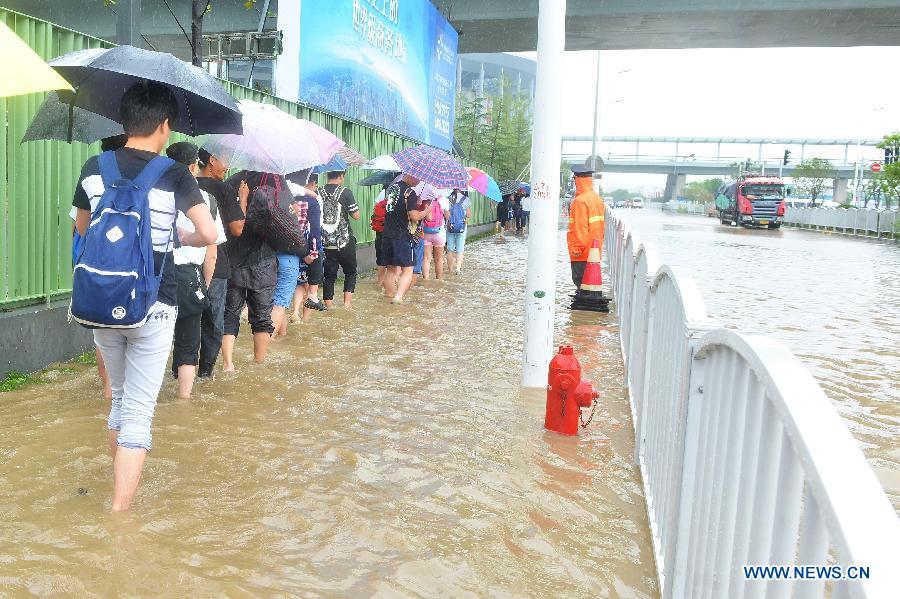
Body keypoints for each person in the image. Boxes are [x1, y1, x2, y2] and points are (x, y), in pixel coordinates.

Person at [72, 82, 216, 511]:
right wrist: (179, 235)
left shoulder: (94, 167)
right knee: (138, 411)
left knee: (118, 398)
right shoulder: (174, 173)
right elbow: (208, 233)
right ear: (165, 125)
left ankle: (117, 489)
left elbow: (82, 228)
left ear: (124, 120)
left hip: (101, 299)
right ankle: (120, 516)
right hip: (154, 302)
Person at [166, 142, 225, 399]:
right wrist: (205, 284)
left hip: (156, 273)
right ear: (193, 167)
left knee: (149, 339)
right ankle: (184, 400)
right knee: (188, 342)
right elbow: (212, 252)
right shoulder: (206, 201)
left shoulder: (153, 194)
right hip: (190, 276)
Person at [71, 134, 128, 401]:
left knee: (103, 329)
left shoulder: (91, 170)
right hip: (132, 270)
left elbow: (80, 227)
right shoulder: (145, 171)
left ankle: (108, 390)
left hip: (98, 268)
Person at [220, 170, 277, 371]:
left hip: (233, 260)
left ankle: (227, 364)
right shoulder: (274, 183)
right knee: (262, 317)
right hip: (263, 260)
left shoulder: (231, 183)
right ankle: (259, 363)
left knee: (230, 313)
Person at [195, 148, 232, 377]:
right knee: (213, 321)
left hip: (186, 265)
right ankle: (205, 373)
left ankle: (180, 371)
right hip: (215, 265)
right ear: (211, 160)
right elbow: (237, 228)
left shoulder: (181, 190)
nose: (227, 167)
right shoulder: (221, 190)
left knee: (187, 321)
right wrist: (243, 201)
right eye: (225, 161)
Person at [382, 174, 431, 304]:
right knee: (408, 268)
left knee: (391, 269)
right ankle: (398, 298)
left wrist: (414, 202)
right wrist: (426, 211)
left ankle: (388, 296)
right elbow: (414, 216)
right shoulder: (410, 192)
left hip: (387, 234)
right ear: (410, 175)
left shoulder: (393, 188)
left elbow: (397, 208)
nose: (419, 181)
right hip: (402, 236)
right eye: (418, 177)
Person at [287, 169, 326, 323]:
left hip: (282, 247)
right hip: (304, 246)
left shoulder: (282, 197)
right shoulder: (312, 201)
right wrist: (313, 253)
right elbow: (315, 231)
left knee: (292, 285)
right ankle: (311, 300)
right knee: (307, 283)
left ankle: (295, 313)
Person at [320, 170, 361, 310]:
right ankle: (347, 305)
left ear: (327, 175)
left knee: (329, 275)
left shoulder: (319, 192)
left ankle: (329, 305)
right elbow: (356, 216)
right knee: (350, 271)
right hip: (344, 240)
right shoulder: (346, 192)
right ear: (341, 176)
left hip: (326, 241)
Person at [567, 166, 606, 290]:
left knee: (582, 287)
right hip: (594, 251)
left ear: (578, 180)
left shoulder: (580, 201)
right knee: (591, 288)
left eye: (574, 179)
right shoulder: (596, 198)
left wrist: (576, 250)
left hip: (582, 254)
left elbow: (580, 229)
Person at [421, 191, 450, 280]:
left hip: (426, 231)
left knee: (426, 258)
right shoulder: (444, 200)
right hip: (439, 232)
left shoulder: (424, 199)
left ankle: (426, 279)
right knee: (439, 258)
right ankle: (439, 280)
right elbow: (447, 217)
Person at [446, 189, 471, 275]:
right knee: (460, 249)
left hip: (450, 227)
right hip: (461, 227)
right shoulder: (466, 199)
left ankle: (450, 270)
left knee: (450, 249)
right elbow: (469, 215)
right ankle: (458, 268)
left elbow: (446, 215)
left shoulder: (448, 198)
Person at [371, 185, 389, 291]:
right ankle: (392, 284)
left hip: (380, 230)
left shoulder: (383, 192)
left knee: (381, 258)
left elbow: (375, 210)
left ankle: (380, 282)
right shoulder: (401, 192)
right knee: (393, 262)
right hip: (392, 232)